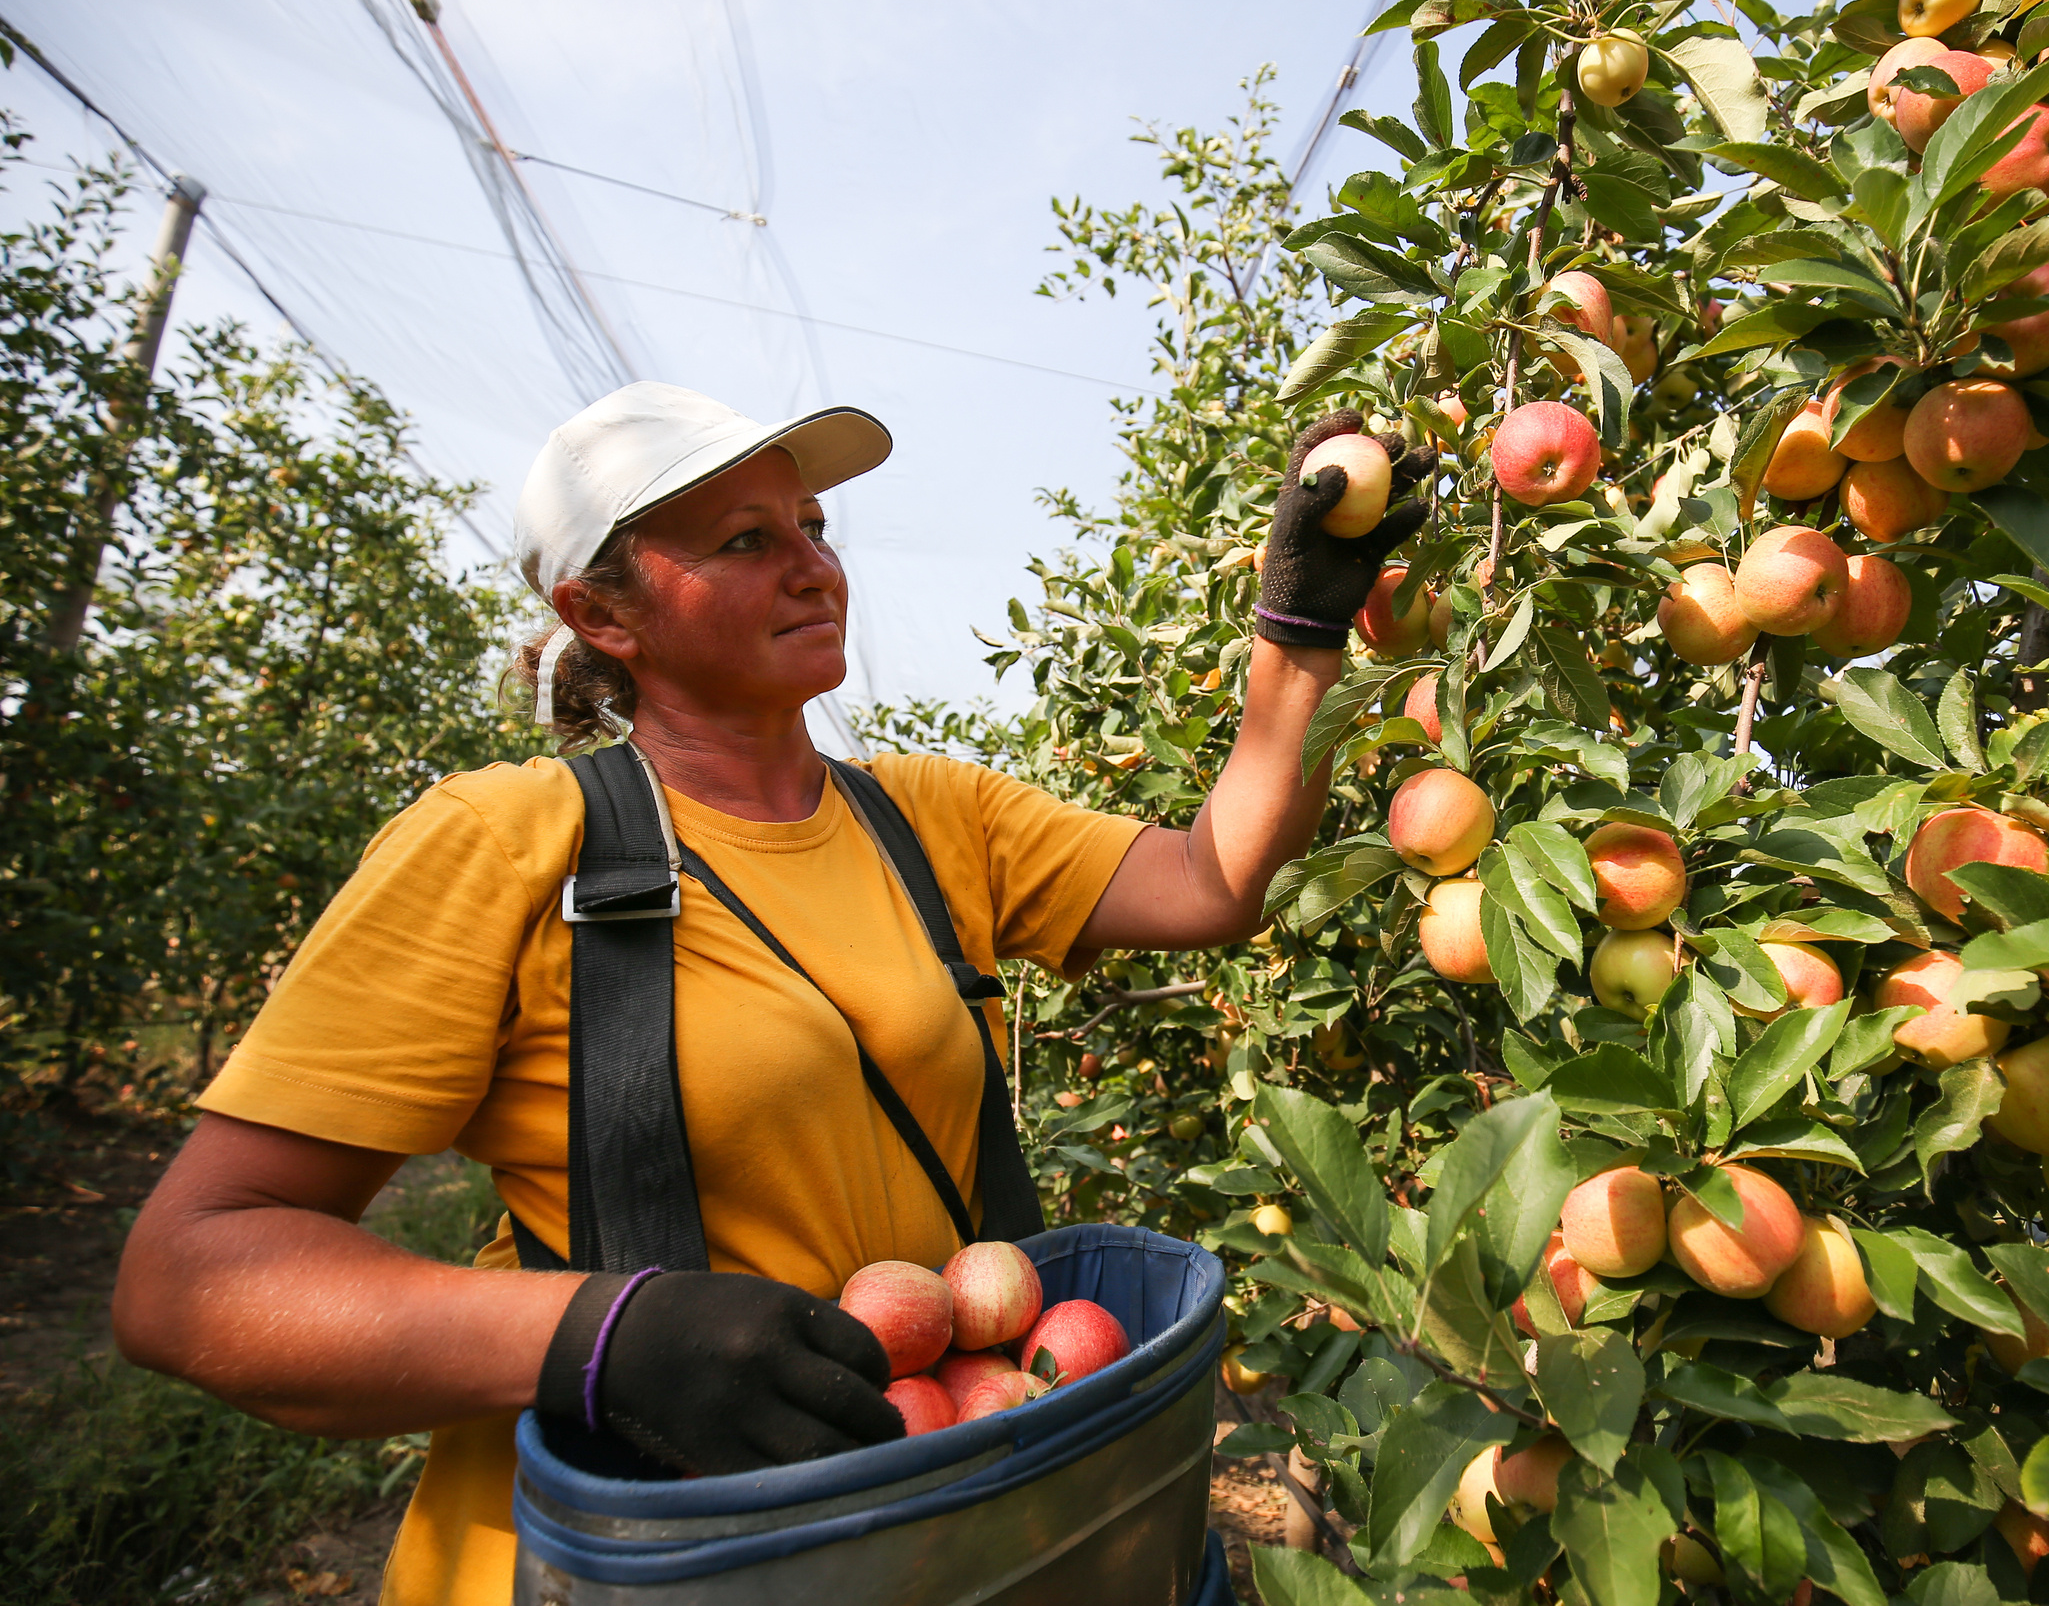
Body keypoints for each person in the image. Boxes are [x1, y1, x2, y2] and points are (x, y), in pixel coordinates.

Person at [109, 382, 1431, 1605]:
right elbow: (191, 1275)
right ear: (601, 615)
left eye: (811, 523)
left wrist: (1299, 632)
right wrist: (608, 1339)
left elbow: (1211, 880)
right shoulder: (504, 845)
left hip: (921, 1522)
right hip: (639, 1562)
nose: (814, 562)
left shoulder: (933, 818)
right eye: (744, 541)